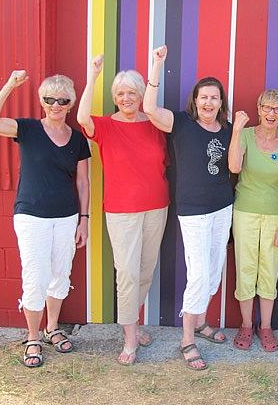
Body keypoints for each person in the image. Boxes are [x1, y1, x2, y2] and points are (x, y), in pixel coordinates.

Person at [0, 71, 90, 368]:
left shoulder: (77, 140)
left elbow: (82, 182)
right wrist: (9, 85)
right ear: (42, 101)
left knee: (60, 274)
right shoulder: (27, 129)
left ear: (71, 103)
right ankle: (32, 337)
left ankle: (52, 328)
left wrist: (84, 219)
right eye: (49, 99)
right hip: (31, 216)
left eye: (62, 100)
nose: (56, 105)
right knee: (35, 276)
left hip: (66, 217)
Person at [142, 46, 233, 370]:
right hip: (193, 210)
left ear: (221, 102)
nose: (208, 102)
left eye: (214, 97)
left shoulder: (227, 129)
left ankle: (202, 321)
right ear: (195, 100)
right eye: (203, 97)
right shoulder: (180, 123)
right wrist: (158, 64)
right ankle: (187, 339)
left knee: (213, 268)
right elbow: (149, 107)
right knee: (198, 274)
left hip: (223, 207)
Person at [77, 54, 169, 365]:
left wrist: (157, 64)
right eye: (120, 94)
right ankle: (130, 337)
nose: (125, 98)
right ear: (114, 98)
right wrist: (93, 76)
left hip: (157, 207)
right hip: (121, 211)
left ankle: (134, 323)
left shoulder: (156, 126)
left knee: (145, 270)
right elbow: (81, 118)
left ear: (142, 94)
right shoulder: (104, 126)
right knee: (127, 272)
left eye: (131, 92)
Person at [228, 90, 278, 352]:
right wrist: (236, 130)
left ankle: (265, 327)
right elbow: (234, 167)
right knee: (245, 268)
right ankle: (247, 324)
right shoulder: (246, 135)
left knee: (270, 270)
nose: (271, 114)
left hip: (274, 215)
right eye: (267, 108)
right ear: (258, 109)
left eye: (277, 109)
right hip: (245, 211)